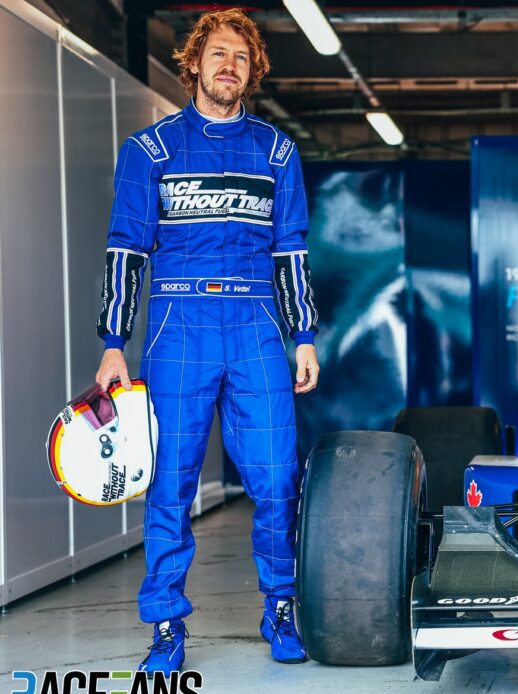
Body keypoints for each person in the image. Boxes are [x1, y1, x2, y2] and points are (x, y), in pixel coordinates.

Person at [94, 8, 319, 674]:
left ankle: (280, 608)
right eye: (218, 54)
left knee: (279, 479)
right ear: (193, 62)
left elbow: (292, 251)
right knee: (171, 483)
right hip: (177, 327)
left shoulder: (276, 152)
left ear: (252, 72)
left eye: (242, 59)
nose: (230, 66)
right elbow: (126, 250)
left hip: (255, 328)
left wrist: (303, 334)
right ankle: (165, 624)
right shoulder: (149, 151)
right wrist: (113, 342)